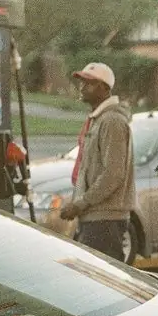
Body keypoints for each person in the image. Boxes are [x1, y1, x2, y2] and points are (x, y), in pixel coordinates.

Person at [60, 61, 136, 261]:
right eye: (81, 82)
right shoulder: (99, 119)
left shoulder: (112, 121)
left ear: (104, 88)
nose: (82, 87)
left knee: (102, 276)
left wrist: (80, 204)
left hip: (105, 218)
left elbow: (113, 174)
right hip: (95, 217)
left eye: (89, 83)